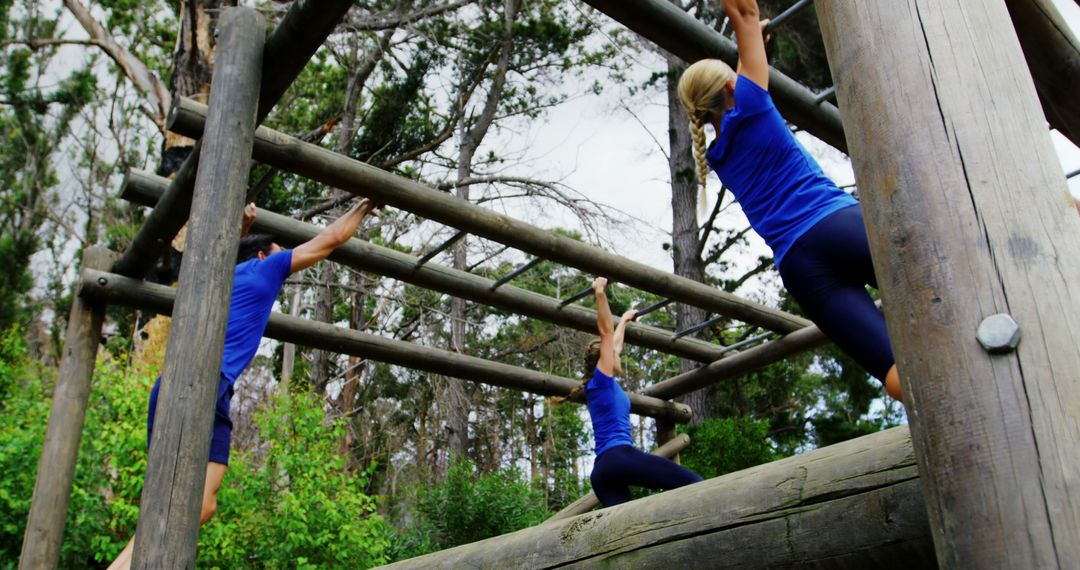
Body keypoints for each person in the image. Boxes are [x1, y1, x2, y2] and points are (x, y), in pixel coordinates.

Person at [108, 198, 379, 570]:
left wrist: (239, 230)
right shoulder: (264, 270)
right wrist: (364, 207)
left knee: (200, 504)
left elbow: (216, 255)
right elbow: (330, 240)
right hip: (197, 382)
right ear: (264, 255)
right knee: (175, 500)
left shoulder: (223, 277)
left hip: (197, 388)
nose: (287, 258)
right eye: (281, 251)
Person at [676, 0, 901, 401]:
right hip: (835, 224)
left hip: (801, 266)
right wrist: (749, 38)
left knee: (893, 373)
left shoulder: (716, 156)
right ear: (732, 87)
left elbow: (740, 78)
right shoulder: (754, 106)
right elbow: (743, 12)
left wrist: (751, 50)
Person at [552, 277, 702, 507]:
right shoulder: (602, 381)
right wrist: (600, 293)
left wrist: (623, 321)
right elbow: (606, 334)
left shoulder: (599, 386)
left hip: (602, 473)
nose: (618, 355)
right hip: (619, 458)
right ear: (604, 360)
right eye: (613, 355)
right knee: (695, 483)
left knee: (627, 531)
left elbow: (615, 343)